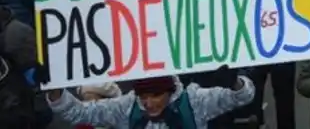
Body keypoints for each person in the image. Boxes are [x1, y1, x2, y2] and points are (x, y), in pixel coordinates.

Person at [46, 68, 255, 129]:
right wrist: (55, 90)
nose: (149, 103)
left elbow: (242, 97)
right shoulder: (127, 107)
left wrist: (234, 82)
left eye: (156, 96)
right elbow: (80, 113)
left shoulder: (194, 101)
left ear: (169, 91)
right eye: (143, 97)